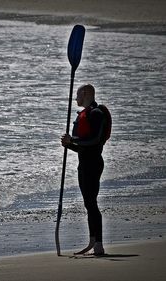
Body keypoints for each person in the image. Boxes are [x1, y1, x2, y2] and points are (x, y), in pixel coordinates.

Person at [61, 84, 110, 255]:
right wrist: (69, 145)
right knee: (88, 204)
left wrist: (72, 140)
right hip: (84, 163)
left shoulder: (96, 113)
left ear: (85, 93)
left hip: (94, 164)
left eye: (77, 94)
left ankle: (99, 244)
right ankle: (92, 241)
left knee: (91, 203)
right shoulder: (84, 115)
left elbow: (94, 141)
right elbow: (83, 147)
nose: (75, 98)